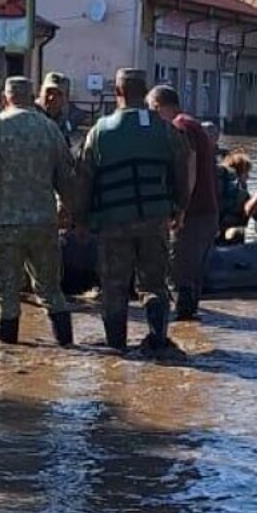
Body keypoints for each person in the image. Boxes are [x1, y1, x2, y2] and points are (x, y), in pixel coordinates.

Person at [73, 68, 191, 359]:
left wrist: (80, 219)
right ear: (145, 91)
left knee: (114, 287)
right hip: (154, 219)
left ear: (117, 92)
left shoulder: (99, 131)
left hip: (113, 221)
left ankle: (117, 346)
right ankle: (158, 341)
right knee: (154, 284)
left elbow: (84, 179)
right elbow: (181, 170)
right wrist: (179, 207)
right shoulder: (166, 130)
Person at [0, 76, 75, 347]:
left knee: (6, 293)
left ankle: (8, 356)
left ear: (5, 98)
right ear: (31, 97)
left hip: (6, 223)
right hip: (43, 223)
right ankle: (67, 347)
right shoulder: (50, 129)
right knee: (51, 290)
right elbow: (67, 177)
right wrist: (68, 210)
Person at [147, 85, 218, 321]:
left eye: (151, 109)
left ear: (158, 106)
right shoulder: (194, 124)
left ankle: (182, 326)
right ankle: (191, 326)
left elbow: (189, 167)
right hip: (207, 211)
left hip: (193, 214)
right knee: (193, 275)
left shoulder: (180, 126)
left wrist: (181, 209)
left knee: (180, 273)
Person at [37, 71, 89, 143]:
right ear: (40, 92)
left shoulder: (74, 118)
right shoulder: (28, 115)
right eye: (48, 92)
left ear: (66, 97)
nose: (51, 98)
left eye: (58, 94)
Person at [217, 150, 252, 240]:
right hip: (230, 235)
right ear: (238, 172)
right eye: (246, 173)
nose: (248, 177)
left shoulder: (214, 187)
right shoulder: (243, 194)